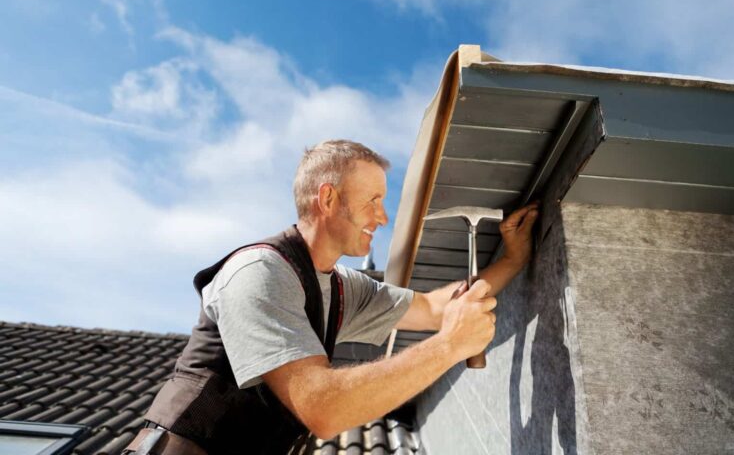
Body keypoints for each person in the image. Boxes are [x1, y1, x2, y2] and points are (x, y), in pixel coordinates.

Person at [125, 140, 538, 455]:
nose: (383, 216)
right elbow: (324, 410)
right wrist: (450, 345)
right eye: (373, 200)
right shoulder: (259, 273)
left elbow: (434, 308)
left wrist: (513, 260)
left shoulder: (340, 287)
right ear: (327, 199)